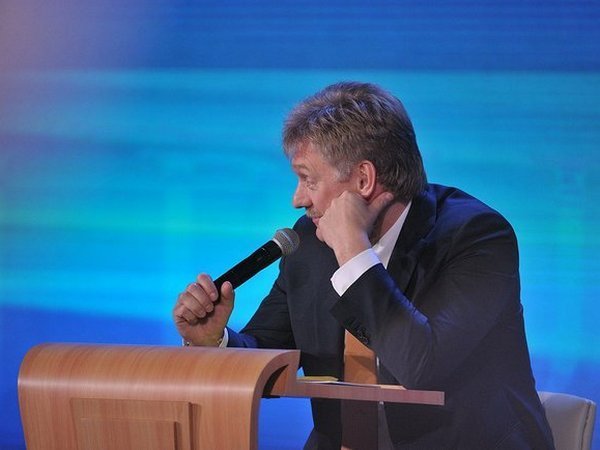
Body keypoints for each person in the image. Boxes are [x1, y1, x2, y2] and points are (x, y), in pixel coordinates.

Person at [173, 82, 554, 449]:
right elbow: (267, 354)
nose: (297, 200)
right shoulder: (310, 242)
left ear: (363, 180)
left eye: (308, 179)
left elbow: (422, 367)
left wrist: (354, 253)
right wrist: (216, 341)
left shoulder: (476, 237)